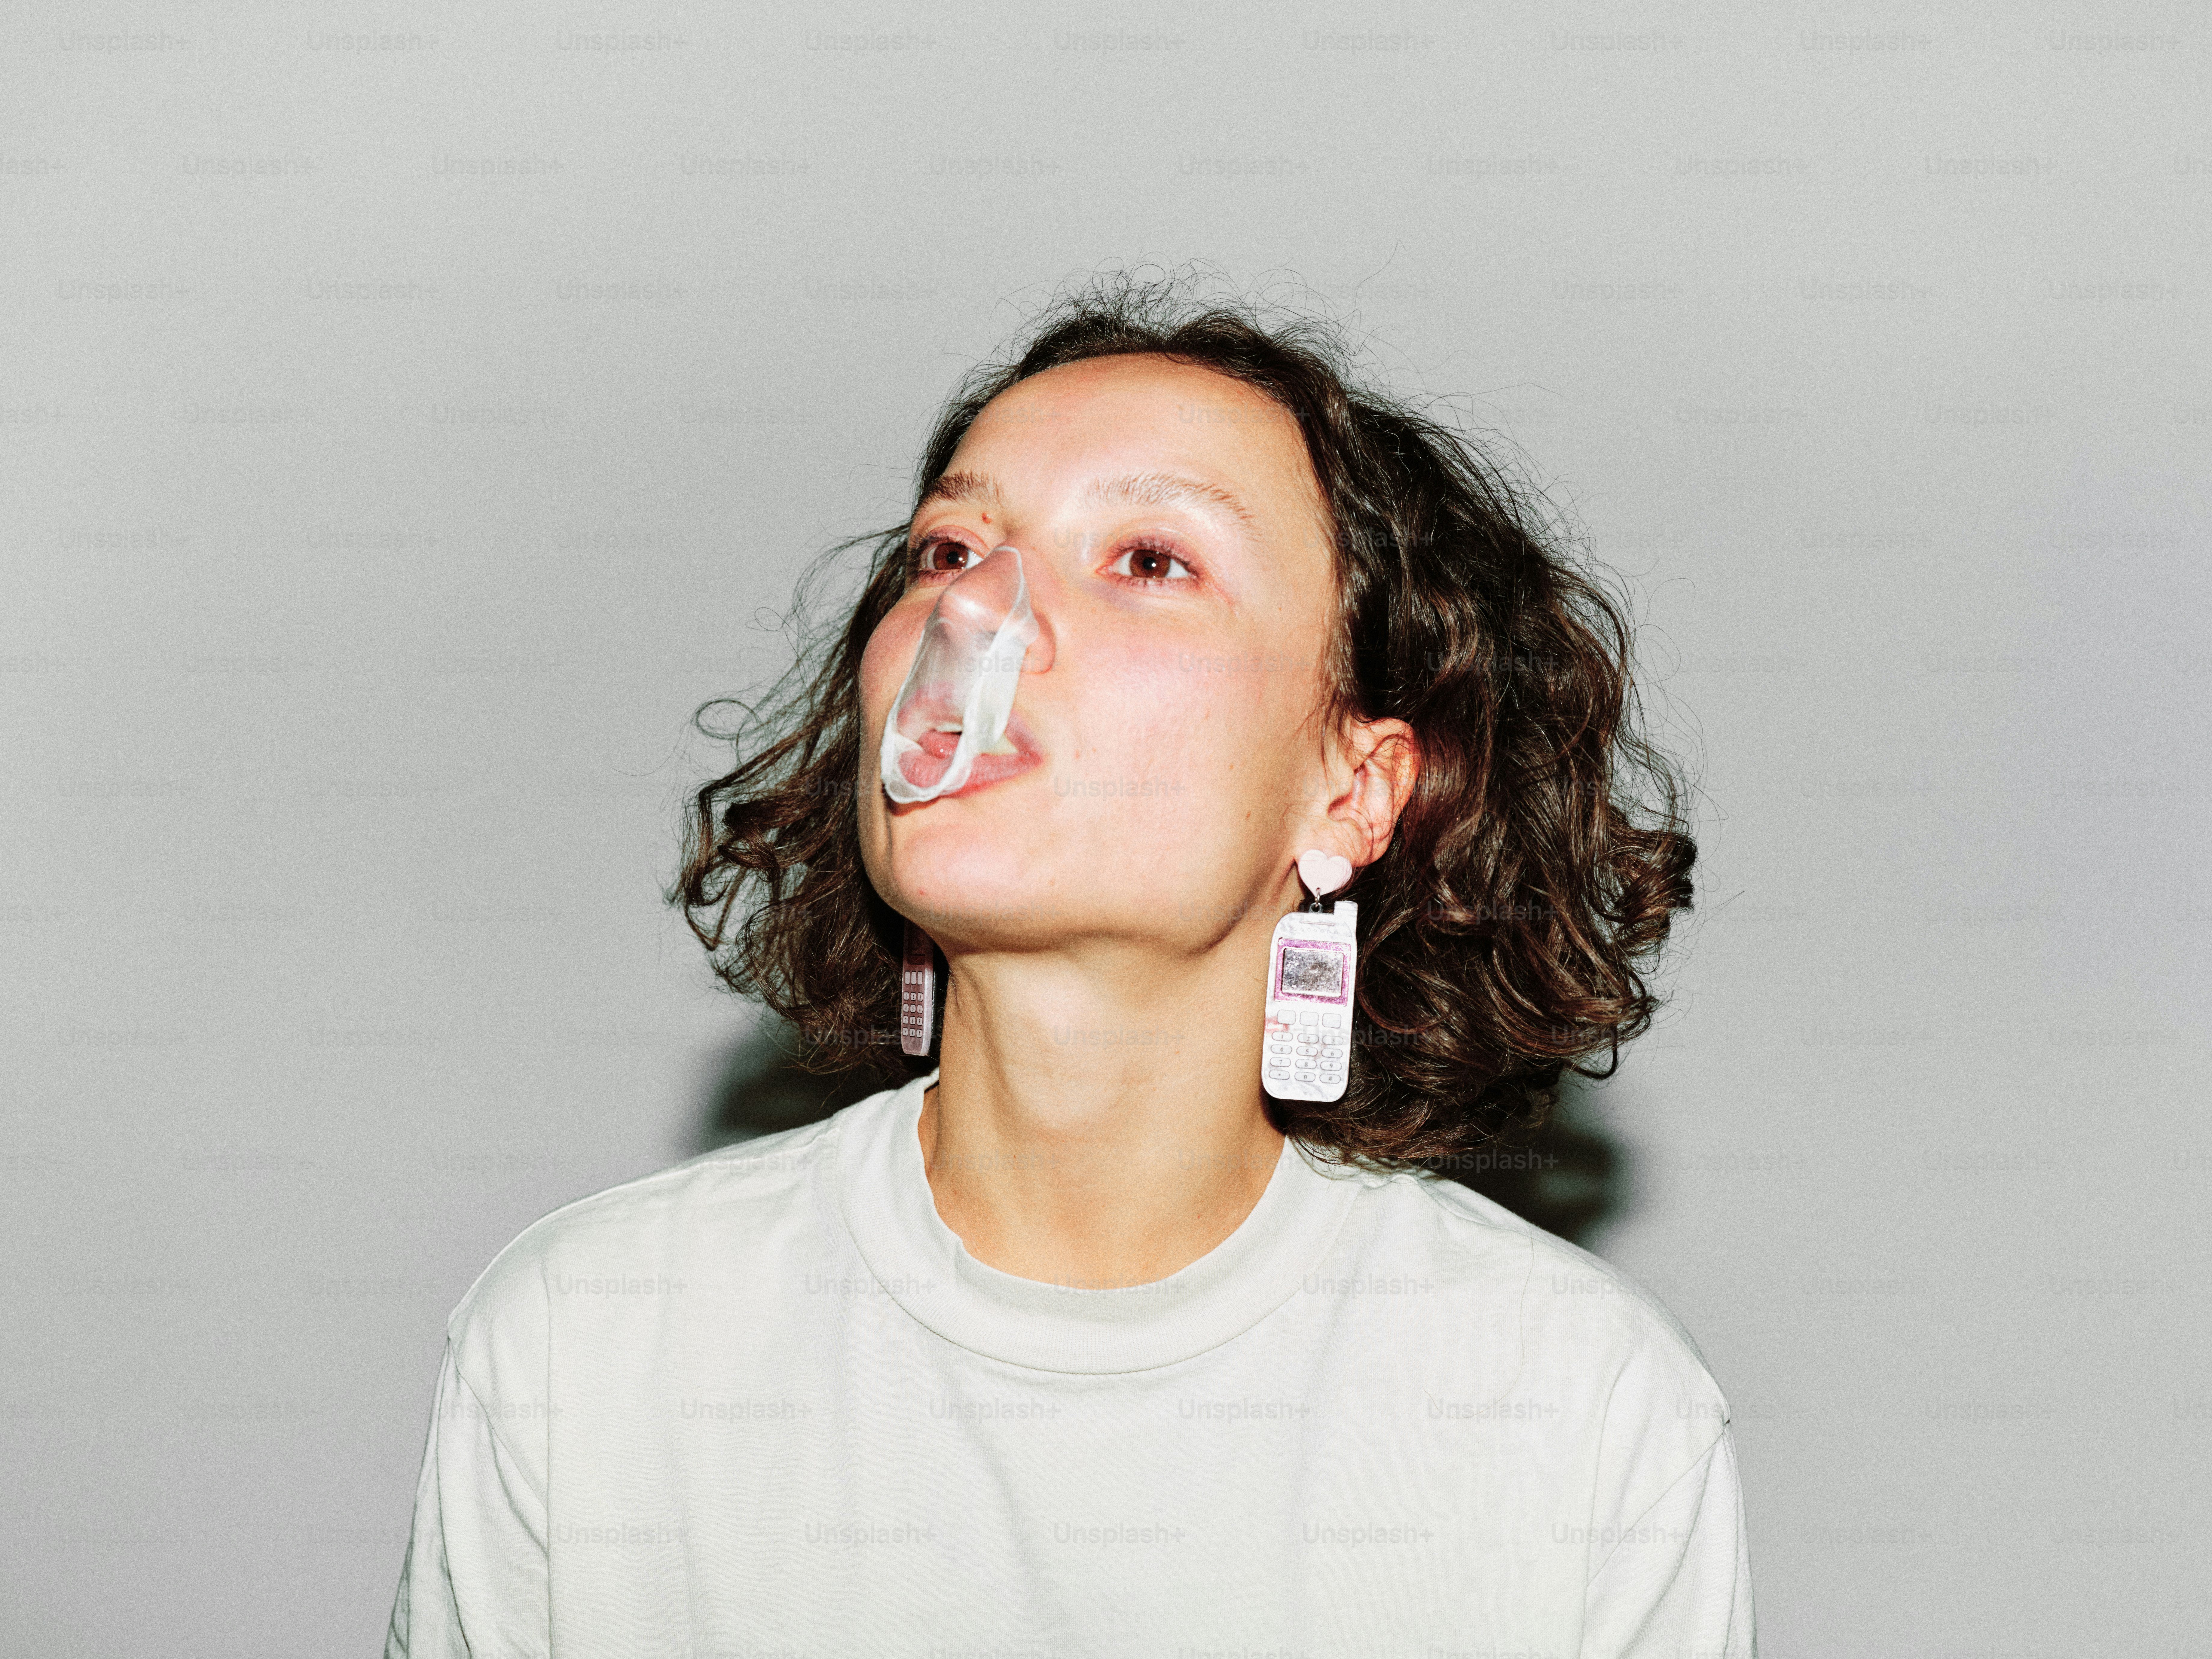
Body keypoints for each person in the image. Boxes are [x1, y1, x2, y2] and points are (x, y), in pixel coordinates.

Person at [386, 278, 1754, 1656]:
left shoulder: (1578, 1414)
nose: (975, 619)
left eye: (1151, 559)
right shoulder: (588, 1342)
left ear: (1354, 789)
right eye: (945, 552)